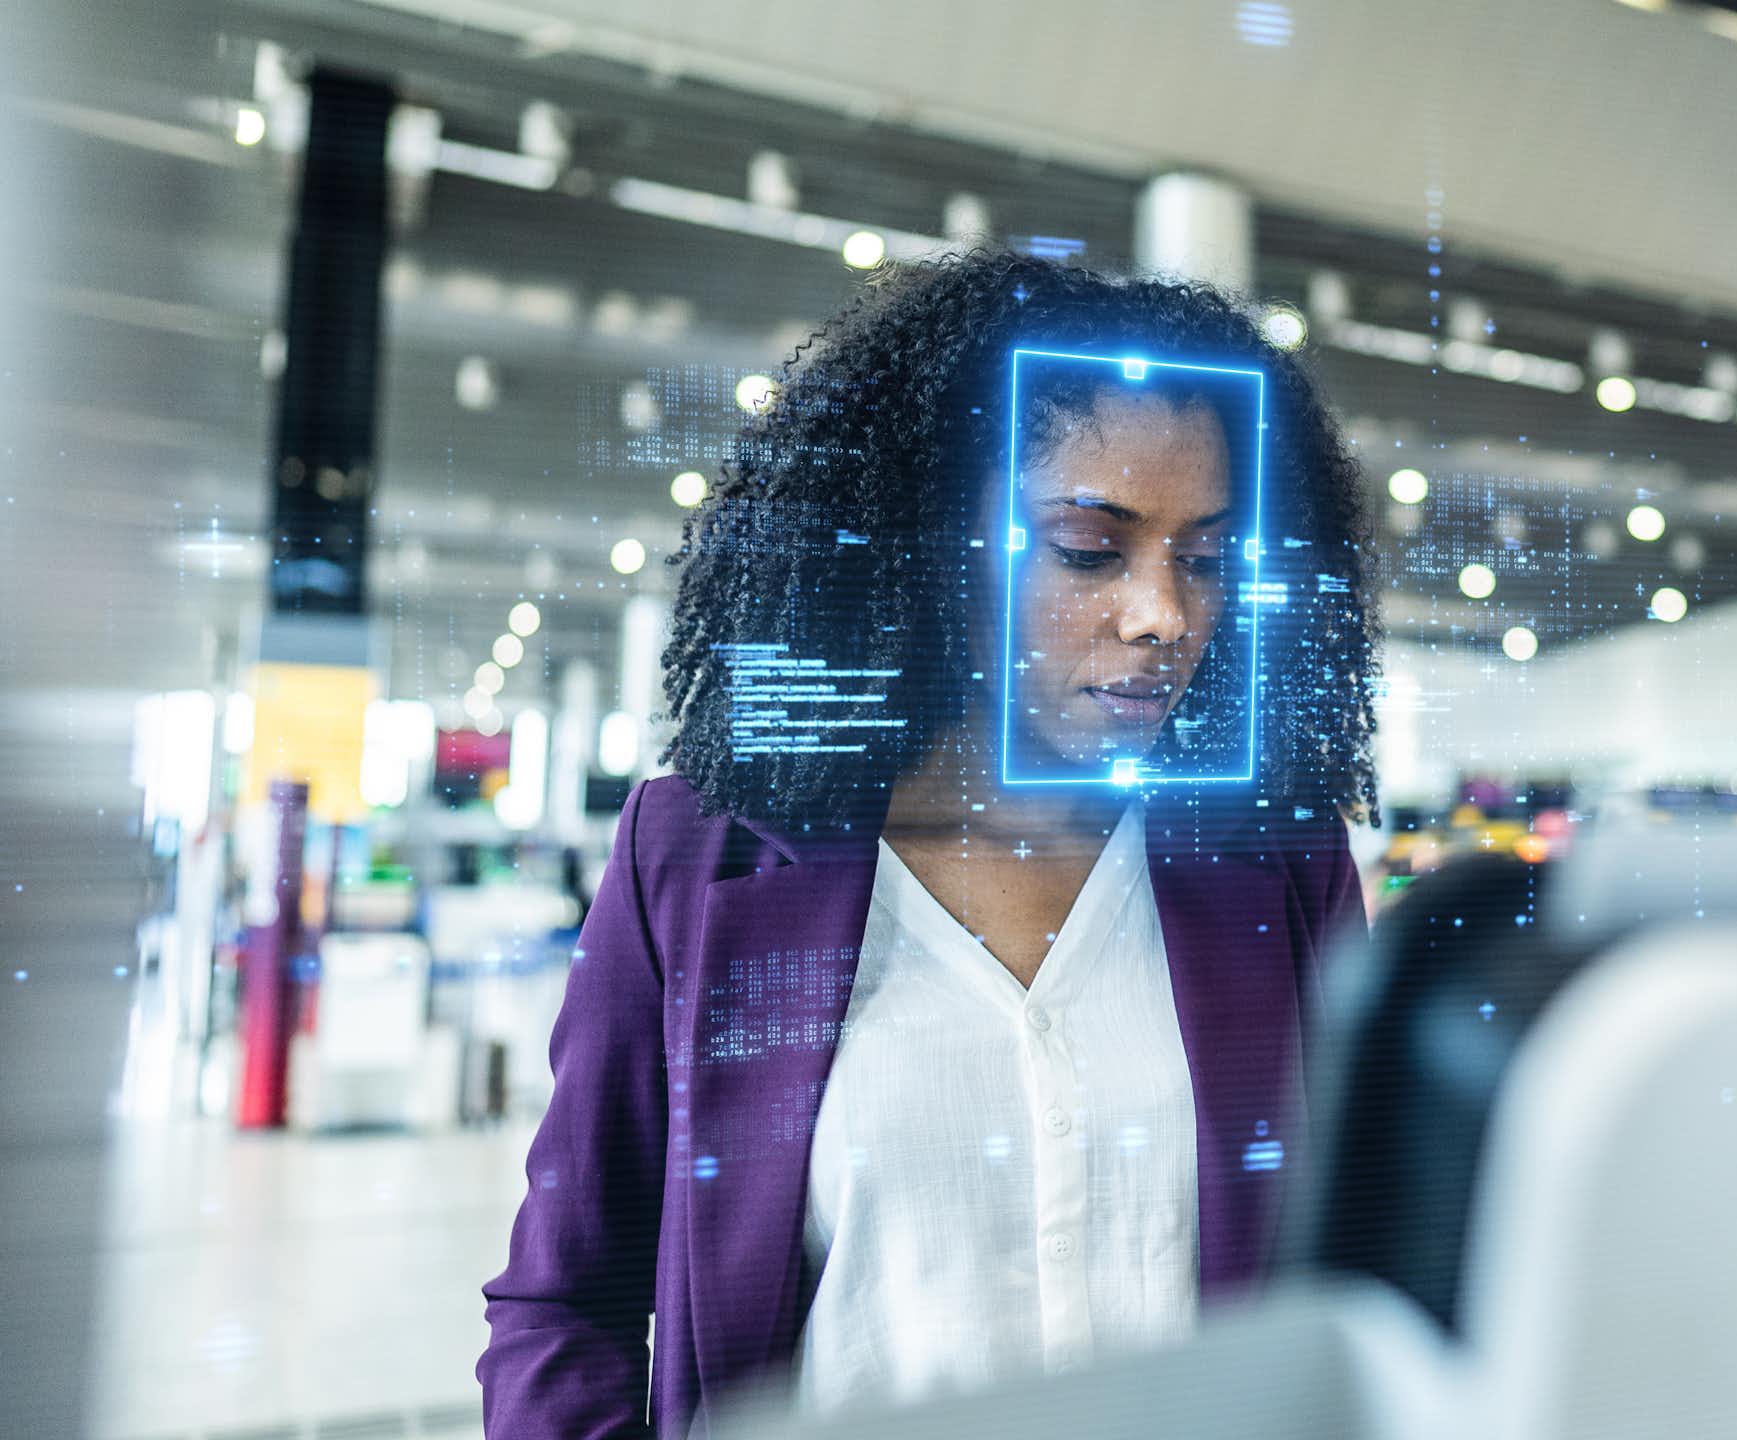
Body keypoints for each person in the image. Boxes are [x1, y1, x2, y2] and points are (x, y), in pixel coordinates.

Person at [478, 251, 1379, 1438]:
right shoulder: (703, 862)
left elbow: (1357, 1272)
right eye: (1087, 549)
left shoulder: (1273, 865)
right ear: (931, 546)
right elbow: (569, 1299)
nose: (1164, 612)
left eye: (1204, 560)